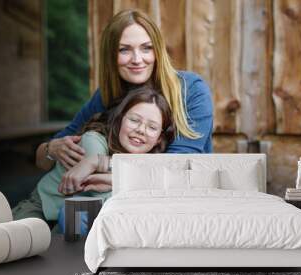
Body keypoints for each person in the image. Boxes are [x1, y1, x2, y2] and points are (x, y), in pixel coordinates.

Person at [35, 9, 213, 181]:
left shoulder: (191, 90)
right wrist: (51, 149)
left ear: (157, 51)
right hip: (118, 201)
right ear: (110, 55)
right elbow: (42, 160)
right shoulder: (106, 96)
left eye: (146, 48)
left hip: (180, 200)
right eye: (124, 50)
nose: (137, 59)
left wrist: (103, 166)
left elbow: (177, 166)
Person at [13, 86, 175, 224]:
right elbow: (100, 193)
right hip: (42, 207)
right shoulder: (93, 140)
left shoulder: (149, 161)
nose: (141, 130)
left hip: (73, 218)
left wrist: (98, 162)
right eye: (134, 120)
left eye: (152, 127)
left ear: (158, 139)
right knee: (21, 244)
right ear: (119, 120)